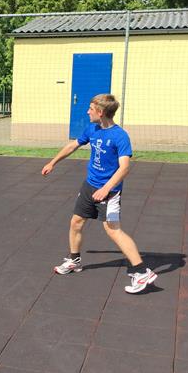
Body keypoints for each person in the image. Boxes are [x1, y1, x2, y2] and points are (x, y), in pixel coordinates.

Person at [41, 94, 157, 294]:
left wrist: (106, 189)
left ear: (101, 112)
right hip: (89, 185)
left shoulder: (120, 136)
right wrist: (53, 162)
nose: (87, 112)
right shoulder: (92, 129)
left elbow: (124, 168)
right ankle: (74, 261)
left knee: (113, 230)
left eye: (91, 109)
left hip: (109, 191)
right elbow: (73, 145)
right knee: (76, 222)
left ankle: (142, 272)